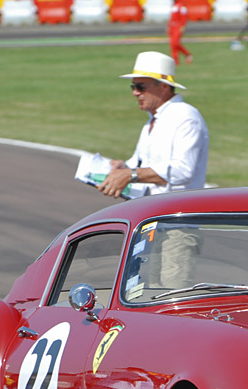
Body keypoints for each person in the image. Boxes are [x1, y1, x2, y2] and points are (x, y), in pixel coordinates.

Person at [102, 51, 209, 287]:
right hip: (151, 221)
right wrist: (122, 167)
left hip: (177, 226)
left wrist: (129, 175)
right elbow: (140, 164)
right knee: (144, 295)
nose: (134, 93)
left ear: (162, 87)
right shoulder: (152, 122)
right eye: (133, 86)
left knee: (170, 298)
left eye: (140, 86)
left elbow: (183, 171)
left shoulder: (185, 117)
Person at [168, 0, 193, 67]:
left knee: (175, 43)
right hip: (172, 26)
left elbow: (184, 17)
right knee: (173, 44)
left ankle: (184, 55)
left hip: (177, 26)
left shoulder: (182, 6)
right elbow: (172, 18)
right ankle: (177, 59)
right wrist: (169, 26)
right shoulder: (174, 5)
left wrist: (183, 26)